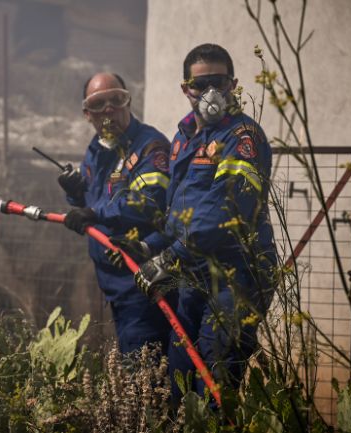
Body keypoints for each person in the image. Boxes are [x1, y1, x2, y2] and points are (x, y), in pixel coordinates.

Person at [127, 43, 277, 403]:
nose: (210, 92)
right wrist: (151, 244)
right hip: (194, 276)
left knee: (214, 386)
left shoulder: (243, 138)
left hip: (236, 278)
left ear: (233, 84)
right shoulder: (183, 139)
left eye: (219, 82)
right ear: (186, 89)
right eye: (200, 84)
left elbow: (225, 212)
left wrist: (169, 258)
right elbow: (181, 212)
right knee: (179, 382)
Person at [58, 72, 175, 354]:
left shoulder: (150, 146)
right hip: (114, 285)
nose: (108, 109)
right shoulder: (97, 149)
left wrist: (93, 212)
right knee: (136, 369)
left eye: (116, 100)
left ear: (128, 102)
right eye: (99, 104)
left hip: (144, 281)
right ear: (87, 114)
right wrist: (75, 192)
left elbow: (147, 203)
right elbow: (92, 197)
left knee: (143, 370)